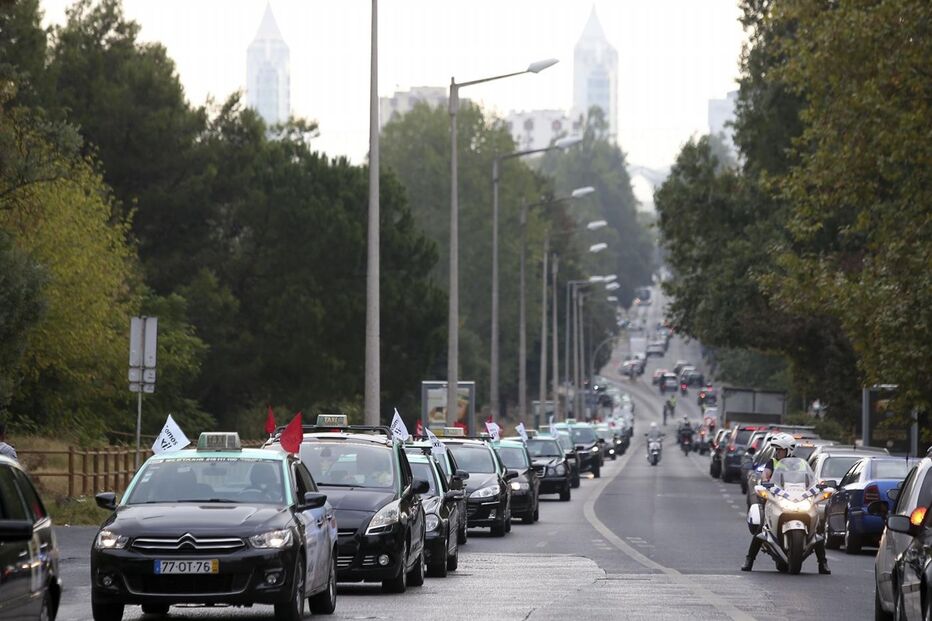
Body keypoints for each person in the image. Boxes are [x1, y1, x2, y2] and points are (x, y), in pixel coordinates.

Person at [741, 433, 831, 574]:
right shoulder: (772, 462)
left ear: (789, 450)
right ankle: (749, 560)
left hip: (799, 498)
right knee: (761, 530)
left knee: (817, 531)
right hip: (777, 498)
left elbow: (810, 479)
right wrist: (764, 481)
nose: (777, 452)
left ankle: (823, 563)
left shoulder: (801, 463)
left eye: (780, 450)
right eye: (776, 449)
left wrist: (819, 486)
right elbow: (765, 475)